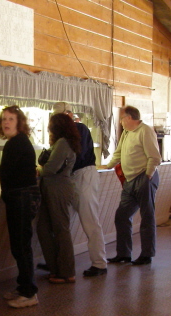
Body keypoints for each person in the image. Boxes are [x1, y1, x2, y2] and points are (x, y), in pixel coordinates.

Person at [52, 102, 107, 277]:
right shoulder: (63, 135)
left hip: (84, 174)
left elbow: (77, 155)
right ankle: (60, 260)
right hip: (74, 177)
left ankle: (99, 263)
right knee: (64, 221)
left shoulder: (80, 129)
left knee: (89, 220)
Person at [0, 106, 41, 308]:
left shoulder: (17, 143)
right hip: (21, 196)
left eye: (11, 119)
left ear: (19, 122)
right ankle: (23, 285)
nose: (6, 122)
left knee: (21, 246)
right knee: (20, 245)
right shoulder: (16, 142)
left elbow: (5, 173)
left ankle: (29, 292)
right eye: (4, 119)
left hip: (22, 197)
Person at [106, 106, 161, 265]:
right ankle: (123, 254)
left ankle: (146, 254)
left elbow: (154, 157)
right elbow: (118, 153)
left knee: (147, 216)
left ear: (129, 118)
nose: (121, 122)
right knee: (121, 216)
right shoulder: (126, 133)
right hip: (129, 180)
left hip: (144, 177)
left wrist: (148, 175)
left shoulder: (145, 131)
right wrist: (108, 165)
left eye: (122, 119)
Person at [36, 112, 79, 283]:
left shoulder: (62, 143)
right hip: (53, 188)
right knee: (43, 228)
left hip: (58, 188)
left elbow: (50, 169)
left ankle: (67, 271)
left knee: (61, 230)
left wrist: (38, 170)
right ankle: (56, 268)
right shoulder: (67, 143)